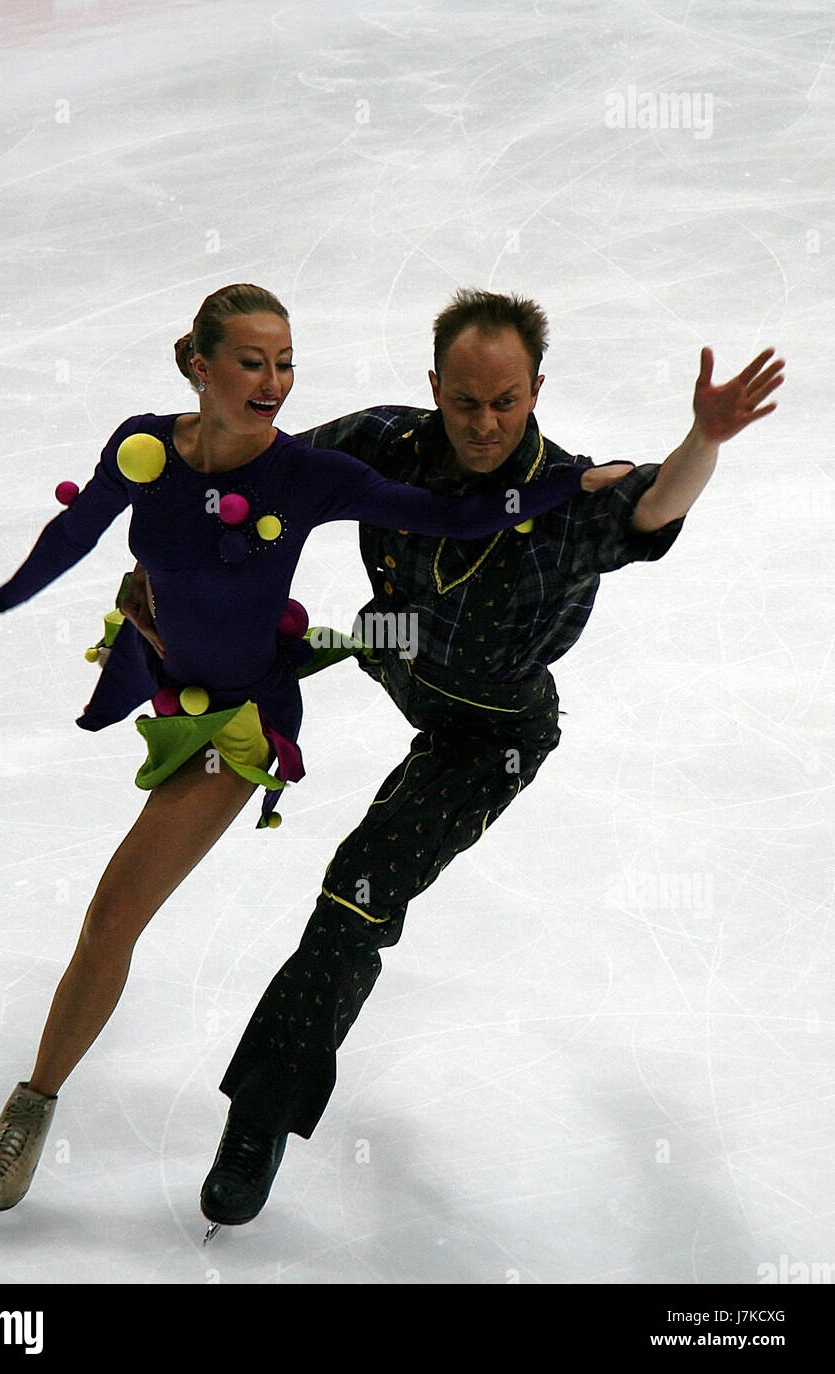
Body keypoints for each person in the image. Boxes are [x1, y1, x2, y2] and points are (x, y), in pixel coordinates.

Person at [0, 284, 627, 1224]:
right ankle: (36, 1099)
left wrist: (569, 484)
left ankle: (127, 1111)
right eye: (253, 362)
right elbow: (79, 528)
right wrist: (2, 596)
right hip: (164, 674)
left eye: (286, 364)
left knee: (125, 906)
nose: (274, 383)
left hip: (238, 720)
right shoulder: (143, 448)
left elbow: (453, 516)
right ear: (197, 367)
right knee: (110, 915)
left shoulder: (306, 474)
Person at [123, 289, 784, 1233]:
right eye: (465, 402)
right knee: (270, 640)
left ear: (536, 390)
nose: (484, 425)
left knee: (356, 892)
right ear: (434, 386)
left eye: (505, 403)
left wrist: (701, 442)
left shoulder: (567, 497)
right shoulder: (388, 443)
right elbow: (254, 475)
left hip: (487, 728)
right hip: (397, 644)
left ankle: (257, 1121)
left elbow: (650, 509)